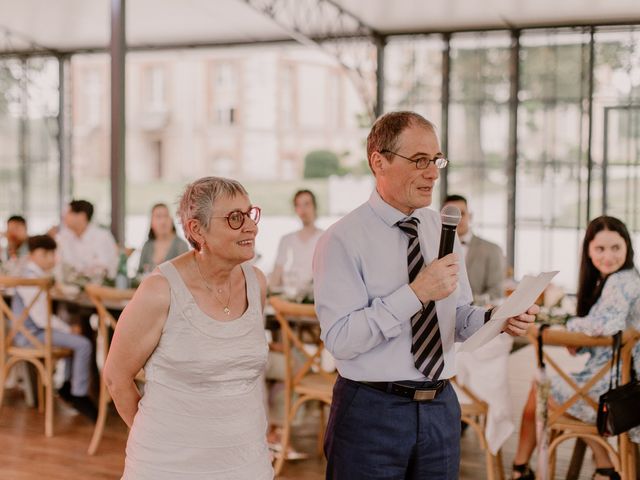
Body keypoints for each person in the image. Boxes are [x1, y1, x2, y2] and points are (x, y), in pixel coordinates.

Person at [313, 111, 538, 479]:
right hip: (371, 411)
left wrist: (496, 319)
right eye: (419, 161)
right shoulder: (341, 240)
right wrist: (415, 294)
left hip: (441, 408)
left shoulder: (440, 228)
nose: (433, 173)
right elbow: (341, 340)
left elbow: (457, 315)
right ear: (379, 161)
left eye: (436, 160)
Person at [103, 177, 273, 479]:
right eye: (235, 218)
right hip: (168, 466)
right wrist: (159, 440)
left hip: (247, 461)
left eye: (250, 214)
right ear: (197, 229)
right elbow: (117, 378)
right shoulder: (160, 290)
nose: (251, 226)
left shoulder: (256, 282)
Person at [511, 216, 640, 480]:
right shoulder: (621, 278)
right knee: (550, 389)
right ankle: (603, 465)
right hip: (622, 379)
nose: (608, 256)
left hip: (619, 385)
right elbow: (607, 329)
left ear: (627, 246)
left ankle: (520, 468)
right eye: (600, 249)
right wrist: (579, 337)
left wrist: (569, 328)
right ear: (589, 250)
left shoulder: (621, 281)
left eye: (616, 247)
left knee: (541, 386)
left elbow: (606, 326)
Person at [12, 235, 97, 420]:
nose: (53, 259)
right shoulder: (32, 281)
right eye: (49, 254)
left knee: (74, 340)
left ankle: (68, 385)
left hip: (32, 332)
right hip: (31, 336)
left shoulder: (32, 275)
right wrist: (68, 329)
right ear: (36, 254)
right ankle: (78, 394)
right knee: (83, 344)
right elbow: (42, 319)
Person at [443, 194, 505, 303]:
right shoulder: (431, 247)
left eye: (462, 213)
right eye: (451, 214)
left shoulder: (492, 250)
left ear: (470, 216)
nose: (457, 219)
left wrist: (468, 302)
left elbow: (496, 292)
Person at [269, 189, 323, 296]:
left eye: (307, 204)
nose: (303, 209)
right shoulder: (286, 240)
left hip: (314, 300)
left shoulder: (325, 238)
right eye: (298, 205)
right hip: (289, 301)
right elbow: (276, 276)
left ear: (314, 206)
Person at [56, 200, 118, 279]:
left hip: (100, 286)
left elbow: (103, 268)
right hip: (72, 285)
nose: (64, 216)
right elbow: (61, 265)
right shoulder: (64, 237)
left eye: (68, 213)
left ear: (82, 216)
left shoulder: (102, 236)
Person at [137, 203, 189, 275]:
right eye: (158, 217)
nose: (163, 221)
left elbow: (187, 274)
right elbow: (139, 274)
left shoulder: (181, 245)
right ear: (152, 222)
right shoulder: (147, 246)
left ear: (171, 220)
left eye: (166, 216)